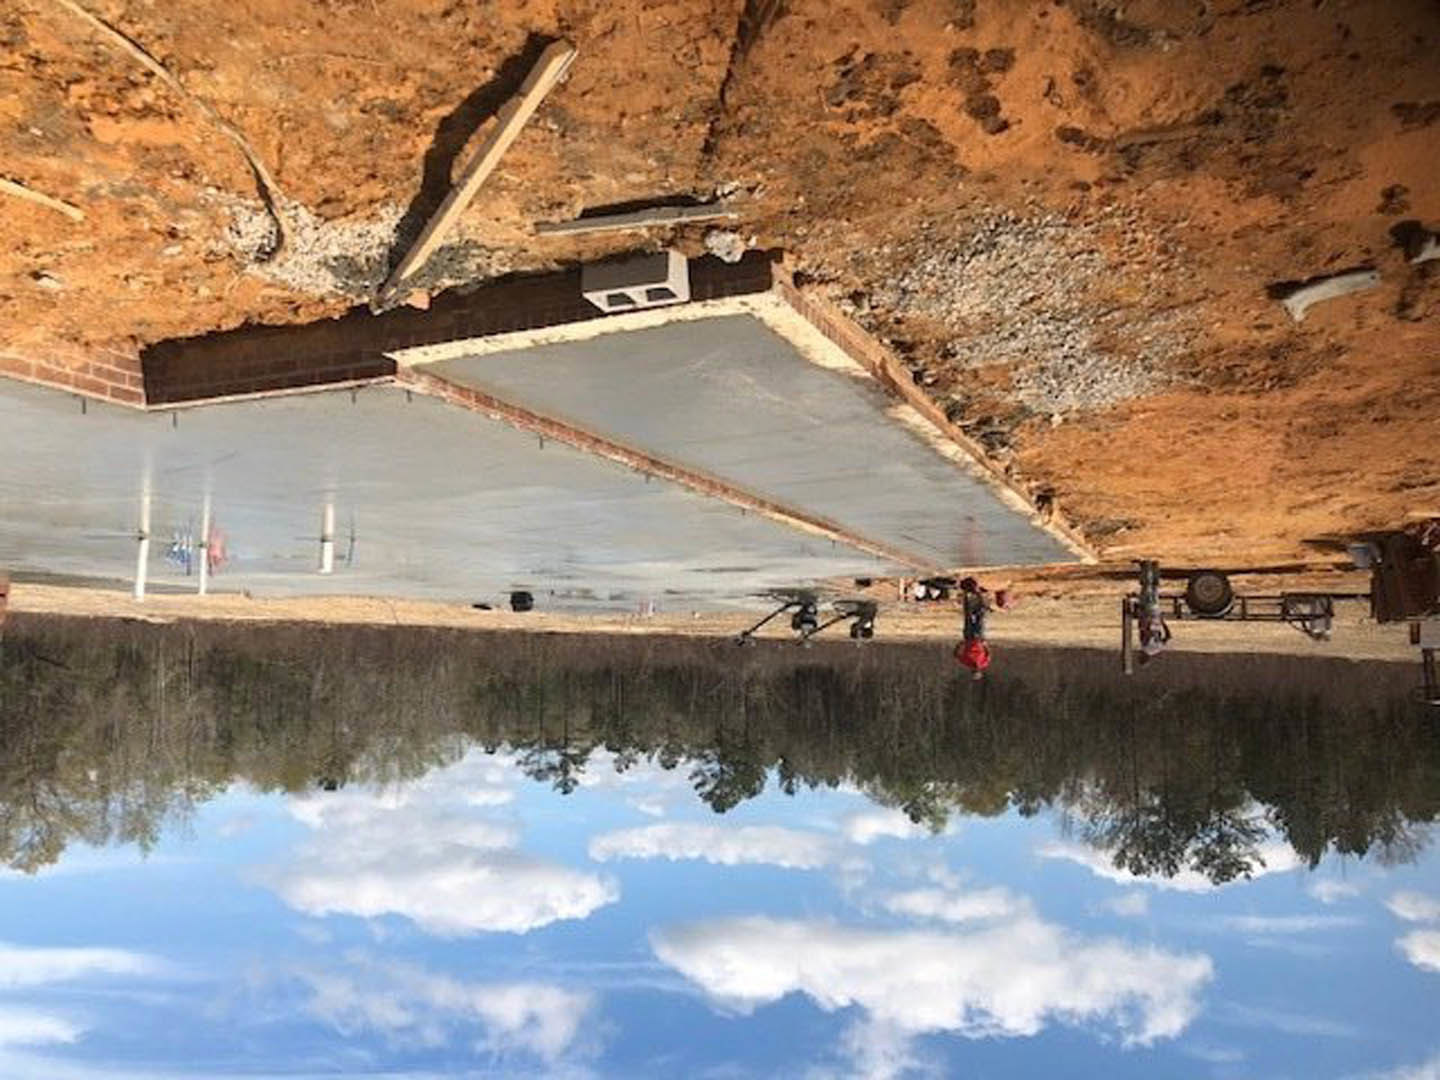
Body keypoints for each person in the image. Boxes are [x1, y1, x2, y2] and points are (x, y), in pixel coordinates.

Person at [954, 577, 994, 680]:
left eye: (974, 672)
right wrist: (985, 645)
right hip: (979, 638)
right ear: (980, 671)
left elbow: (956, 654)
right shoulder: (983, 663)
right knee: (981, 617)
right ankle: (980, 597)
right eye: (977, 672)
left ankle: (967, 597)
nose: (975, 670)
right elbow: (988, 654)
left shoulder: (966, 663)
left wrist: (961, 644)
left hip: (968, 637)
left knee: (968, 616)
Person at [1136, 560, 1171, 661]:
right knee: (1147, 587)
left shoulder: (1158, 649)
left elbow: (1168, 636)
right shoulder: (1145, 647)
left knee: (1155, 589)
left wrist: (1163, 622)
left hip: (1156, 615)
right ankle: (1146, 566)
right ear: (1142, 657)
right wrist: (1141, 615)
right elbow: (1145, 632)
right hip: (1147, 614)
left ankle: (1156, 567)